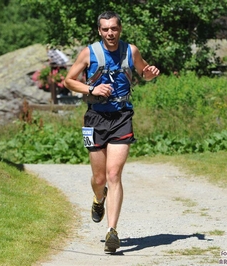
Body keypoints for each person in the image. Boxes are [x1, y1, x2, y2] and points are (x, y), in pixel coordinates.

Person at [64, 11, 159, 253]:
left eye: (114, 28)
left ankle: (112, 232)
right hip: (94, 119)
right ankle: (98, 200)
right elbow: (68, 81)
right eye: (105, 29)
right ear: (99, 31)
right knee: (99, 179)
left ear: (120, 29)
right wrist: (91, 89)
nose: (110, 33)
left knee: (114, 174)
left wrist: (149, 75)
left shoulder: (131, 50)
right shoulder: (89, 52)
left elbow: (143, 72)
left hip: (122, 117)